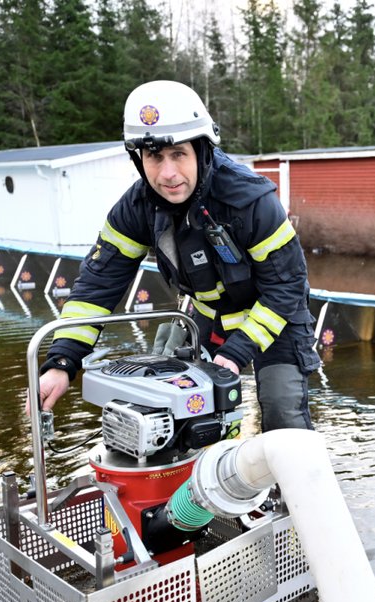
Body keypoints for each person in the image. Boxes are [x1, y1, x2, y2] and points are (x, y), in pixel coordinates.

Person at [31, 80, 319, 431]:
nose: (167, 174)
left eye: (178, 154)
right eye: (154, 157)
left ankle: (285, 462)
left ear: (202, 150)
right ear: (139, 159)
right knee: (185, 414)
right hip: (209, 319)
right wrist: (62, 361)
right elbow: (97, 285)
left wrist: (237, 351)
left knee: (283, 416)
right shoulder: (136, 208)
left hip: (276, 318)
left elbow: (287, 287)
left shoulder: (251, 202)